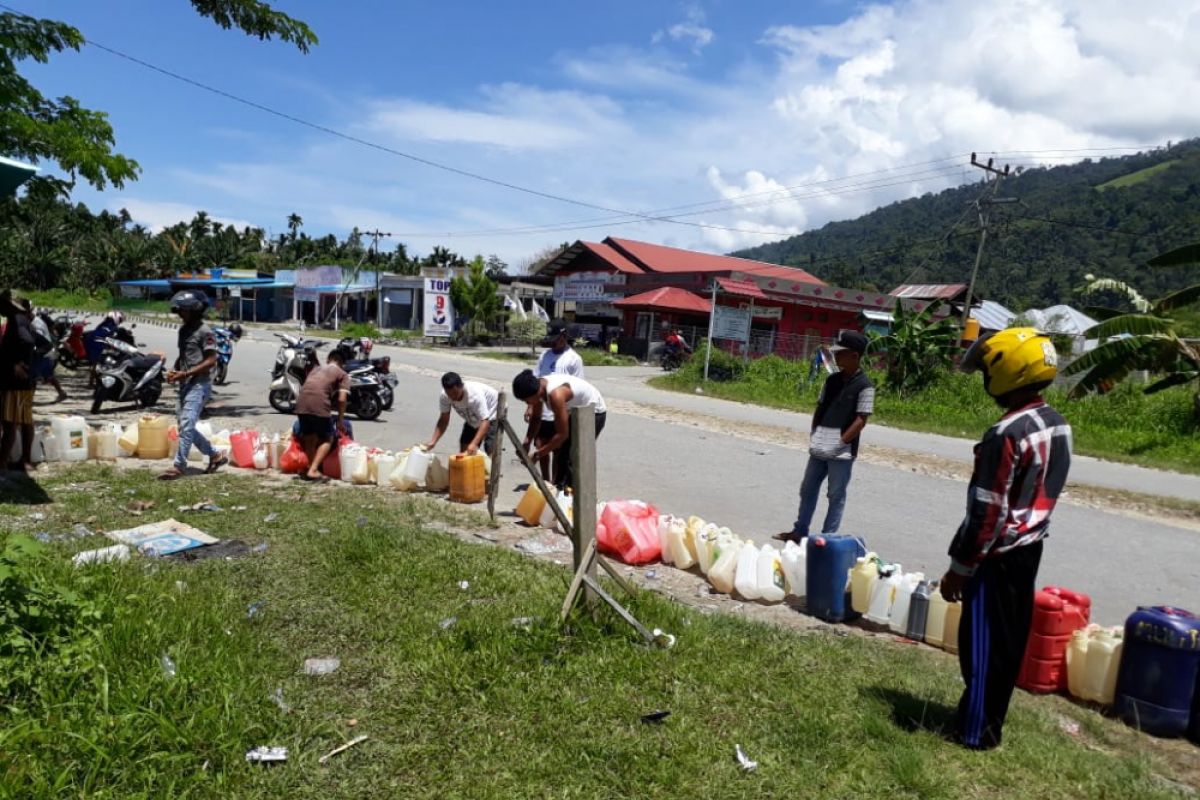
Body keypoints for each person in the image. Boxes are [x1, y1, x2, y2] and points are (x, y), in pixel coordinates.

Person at [939, 328, 1072, 750]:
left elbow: (988, 512)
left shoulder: (1006, 434)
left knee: (981, 649)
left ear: (1008, 373)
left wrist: (960, 569)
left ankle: (976, 731)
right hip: (1029, 549)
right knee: (1008, 644)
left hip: (996, 557)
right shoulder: (1055, 424)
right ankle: (987, 718)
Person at [775, 330, 874, 544]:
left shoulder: (865, 386)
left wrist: (840, 443)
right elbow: (820, 409)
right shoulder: (831, 381)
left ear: (855, 356)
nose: (836, 358)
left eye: (841, 354)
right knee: (807, 489)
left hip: (842, 451)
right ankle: (800, 531)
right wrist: (814, 433)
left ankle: (826, 539)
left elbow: (861, 420)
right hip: (820, 445)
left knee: (835, 495)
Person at [159, 291, 226, 480]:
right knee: (184, 426)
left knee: (187, 424)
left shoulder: (206, 332)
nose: (180, 313)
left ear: (195, 311)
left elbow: (212, 360)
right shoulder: (183, 330)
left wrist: (186, 373)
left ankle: (179, 465)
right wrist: (175, 371)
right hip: (185, 383)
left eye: (184, 310)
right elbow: (184, 356)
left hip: (199, 384)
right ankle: (214, 455)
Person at [512, 369, 607, 489]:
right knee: (563, 456)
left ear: (535, 393)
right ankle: (560, 492)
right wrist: (526, 442)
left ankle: (572, 497)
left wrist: (537, 455)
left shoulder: (555, 395)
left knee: (573, 458)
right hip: (574, 411)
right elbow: (536, 418)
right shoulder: (539, 386)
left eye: (526, 400)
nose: (526, 403)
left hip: (594, 412)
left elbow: (562, 435)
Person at [531, 319, 585, 481]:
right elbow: (535, 381)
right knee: (541, 445)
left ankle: (555, 482)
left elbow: (577, 387)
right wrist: (531, 407)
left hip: (561, 412)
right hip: (543, 410)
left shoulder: (574, 359)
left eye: (555, 338)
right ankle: (545, 480)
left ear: (564, 335)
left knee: (557, 449)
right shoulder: (544, 356)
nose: (552, 342)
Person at [294, 350, 349, 482]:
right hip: (319, 404)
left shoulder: (316, 369)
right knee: (327, 438)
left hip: (301, 403)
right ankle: (313, 470)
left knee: (310, 437)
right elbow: (342, 399)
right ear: (342, 364)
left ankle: (310, 469)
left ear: (329, 359)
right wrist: (340, 420)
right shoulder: (343, 374)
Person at [0, 291, 37, 472]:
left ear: (10, 306)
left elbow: (27, 342)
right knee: (24, 420)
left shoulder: (16, 320)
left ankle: (2, 462)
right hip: (25, 382)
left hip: (16, 383)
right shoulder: (24, 319)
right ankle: (25, 460)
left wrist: (17, 364)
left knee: (10, 422)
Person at [425, 372, 498, 455]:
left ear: (461, 386)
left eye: (455, 393)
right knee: (465, 447)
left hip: (493, 410)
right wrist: (433, 441)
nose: (453, 397)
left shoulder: (474, 396)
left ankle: (492, 465)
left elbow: (485, 421)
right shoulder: (445, 396)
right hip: (473, 416)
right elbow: (444, 419)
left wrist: (474, 443)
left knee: (490, 446)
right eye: (450, 394)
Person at [31, 310, 67, 402]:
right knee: (48, 374)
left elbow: (37, 340)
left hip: (42, 353)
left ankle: (29, 398)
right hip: (47, 352)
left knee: (33, 376)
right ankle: (61, 393)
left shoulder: (35, 325)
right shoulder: (37, 321)